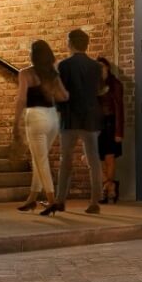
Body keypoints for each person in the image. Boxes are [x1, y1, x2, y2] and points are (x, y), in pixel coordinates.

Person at [43, 29, 104, 216]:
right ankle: (95, 201)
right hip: (90, 117)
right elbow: (99, 91)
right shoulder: (96, 67)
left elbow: (58, 92)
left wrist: (58, 110)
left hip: (70, 118)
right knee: (93, 161)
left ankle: (61, 200)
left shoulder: (64, 65)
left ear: (70, 43)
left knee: (66, 161)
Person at [13, 40, 68, 212]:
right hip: (53, 118)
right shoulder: (53, 75)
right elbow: (64, 96)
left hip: (35, 117)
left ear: (33, 55)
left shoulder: (26, 74)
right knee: (40, 158)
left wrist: (15, 123)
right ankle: (32, 198)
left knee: (41, 160)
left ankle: (52, 201)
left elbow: (21, 99)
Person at [96, 57, 125, 204]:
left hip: (110, 124)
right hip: (96, 125)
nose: (100, 70)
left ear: (107, 68)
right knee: (94, 158)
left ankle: (105, 189)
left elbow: (119, 109)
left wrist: (119, 132)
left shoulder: (115, 84)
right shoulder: (94, 85)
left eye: (102, 67)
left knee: (109, 158)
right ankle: (110, 185)